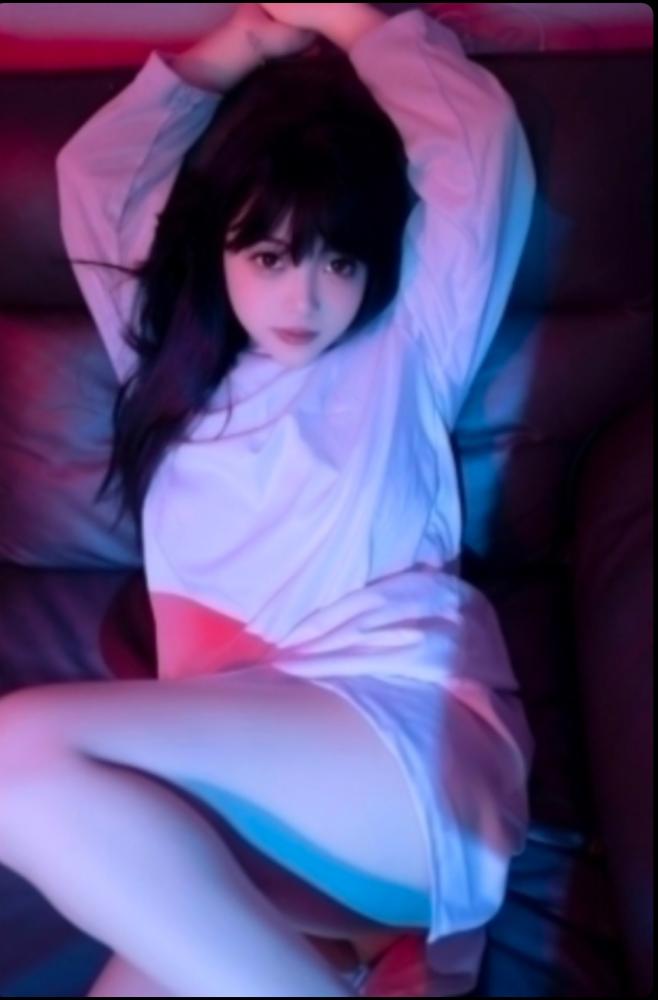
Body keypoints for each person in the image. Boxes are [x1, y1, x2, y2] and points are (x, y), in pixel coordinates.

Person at [0, 3, 537, 996]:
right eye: (269, 256)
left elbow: (474, 148)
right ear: (216, 250)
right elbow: (100, 177)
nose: (306, 299)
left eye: (340, 260)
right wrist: (240, 42)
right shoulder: (167, 358)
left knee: (9, 759)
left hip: (389, 748)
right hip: (252, 811)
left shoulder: (407, 347)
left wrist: (342, 19)